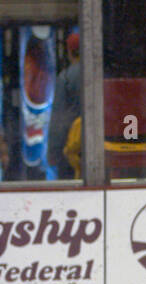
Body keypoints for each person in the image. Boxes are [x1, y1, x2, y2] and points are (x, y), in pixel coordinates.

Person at [47, 31, 81, 178]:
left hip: (71, 148)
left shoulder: (65, 78)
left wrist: (53, 151)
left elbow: (58, 118)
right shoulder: (103, 75)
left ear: (70, 52)